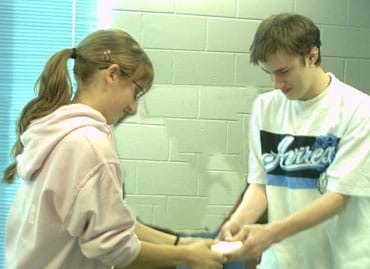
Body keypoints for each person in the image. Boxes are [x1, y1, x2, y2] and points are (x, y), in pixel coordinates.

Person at [4, 29, 226, 269]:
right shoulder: (88, 144)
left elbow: (111, 222)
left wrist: (180, 243)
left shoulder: (57, 131)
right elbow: (117, 249)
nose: (132, 107)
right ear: (112, 75)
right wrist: (187, 256)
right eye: (135, 91)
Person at [219, 13, 370, 269]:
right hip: (283, 259)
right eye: (270, 73)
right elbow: (260, 185)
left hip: (342, 260)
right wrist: (239, 220)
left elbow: (338, 198)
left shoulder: (358, 110)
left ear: (312, 55)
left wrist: (272, 232)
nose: (277, 84)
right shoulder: (264, 108)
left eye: (284, 71)